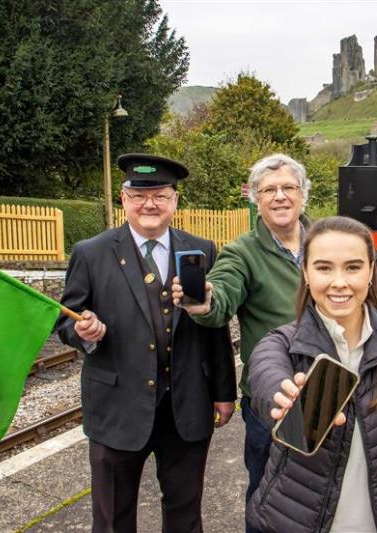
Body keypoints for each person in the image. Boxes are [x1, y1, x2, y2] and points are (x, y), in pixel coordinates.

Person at [56, 154, 237, 533]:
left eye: (160, 194)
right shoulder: (91, 252)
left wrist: (224, 393)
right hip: (117, 409)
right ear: (124, 200)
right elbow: (66, 319)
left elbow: (213, 329)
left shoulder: (201, 250)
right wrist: (83, 332)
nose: (149, 204)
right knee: (113, 519)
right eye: (139, 195)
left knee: (185, 514)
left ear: (175, 200)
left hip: (186, 406)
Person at [245, 216, 377, 533]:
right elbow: (265, 374)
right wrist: (282, 397)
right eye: (324, 268)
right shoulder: (281, 344)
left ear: (371, 271)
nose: (339, 281)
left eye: (352, 267)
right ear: (306, 274)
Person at [174, 153, 311, 531]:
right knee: (268, 494)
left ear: (303, 195)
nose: (279, 196)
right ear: (255, 199)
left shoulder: (328, 239)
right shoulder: (243, 251)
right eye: (269, 190)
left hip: (329, 388)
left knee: (327, 492)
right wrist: (202, 300)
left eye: (287, 188)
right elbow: (220, 296)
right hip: (272, 397)